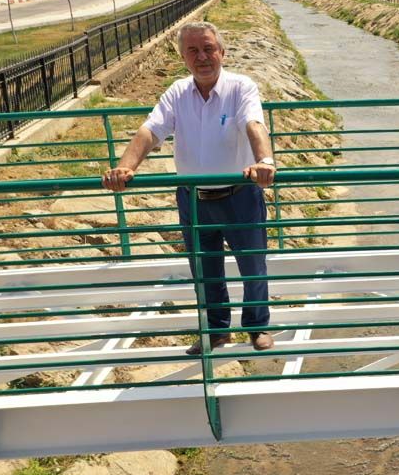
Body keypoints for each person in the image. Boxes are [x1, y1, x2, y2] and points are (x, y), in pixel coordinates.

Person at [102, 21, 277, 355]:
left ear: (222, 52)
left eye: (209, 48)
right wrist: (126, 167)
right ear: (183, 56)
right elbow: (150, 131)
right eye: (193, 51)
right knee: (205, 271)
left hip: (239, 197)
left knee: (253, 266)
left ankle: (257, 326)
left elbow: (254, 124)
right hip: (194, 201)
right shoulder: (177, 92)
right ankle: (216, 331)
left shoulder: (241, 87)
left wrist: (265, 162)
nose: (202, 57)